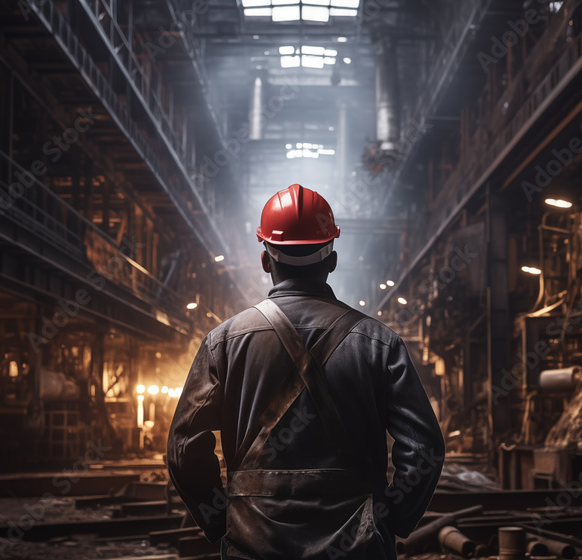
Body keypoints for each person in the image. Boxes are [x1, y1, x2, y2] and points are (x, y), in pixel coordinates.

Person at [167, 184, 444, 559]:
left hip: (253, 546)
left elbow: (184, 449)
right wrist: (392, 520)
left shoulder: (224, 343)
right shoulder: (379, 342)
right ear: (331, 260)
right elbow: (423, 446)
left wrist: (220, 520)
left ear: (266, 260)